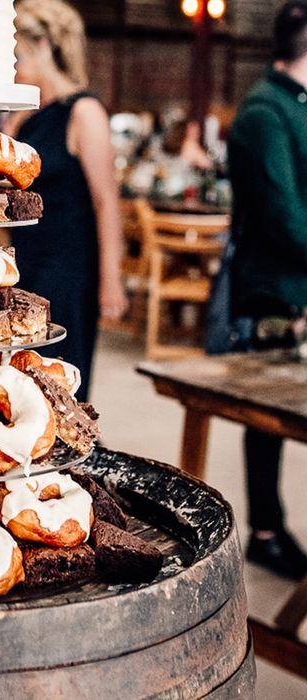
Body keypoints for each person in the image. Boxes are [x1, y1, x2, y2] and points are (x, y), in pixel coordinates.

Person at [7, 0, 127, 401]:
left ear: (43, 46)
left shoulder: (85, 111)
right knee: (21, 380)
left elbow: (106, 201)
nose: (15, 69)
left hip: (69, 268)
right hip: (27, 264)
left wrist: (111, 281)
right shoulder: (25, 116)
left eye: (18, 56)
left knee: (60, 382)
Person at [227, 1, 307, 579]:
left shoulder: (295, 106)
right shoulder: (264, 111)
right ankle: (264, 528)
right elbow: (284, 215)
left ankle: (273, 525)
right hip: (275, 287)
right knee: (267, 418)